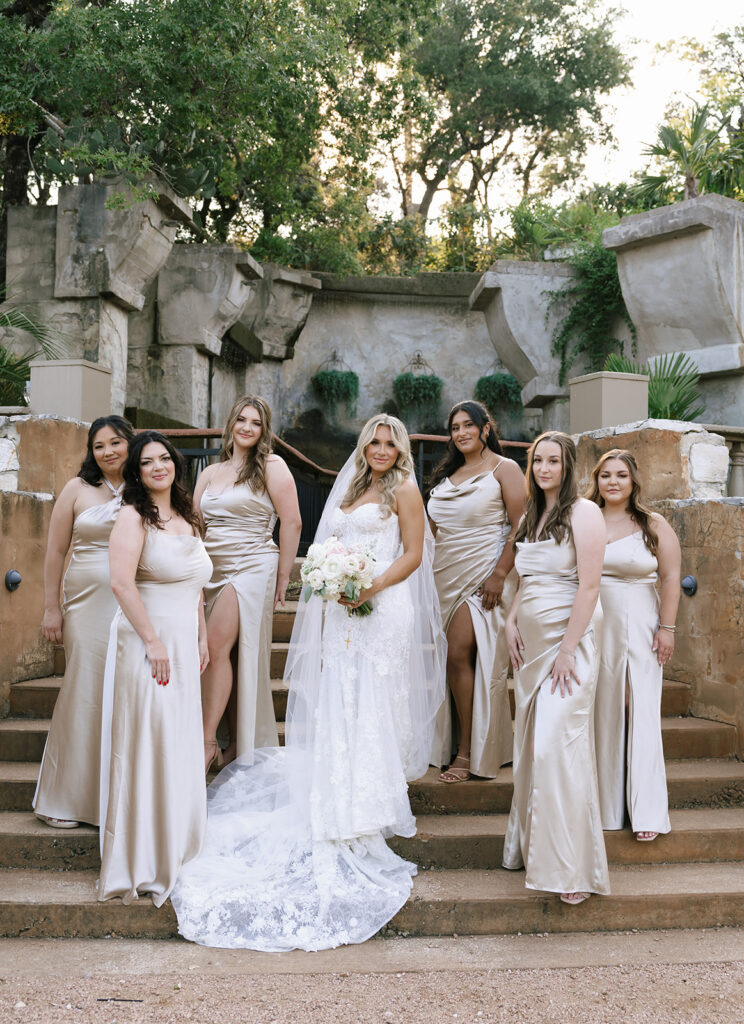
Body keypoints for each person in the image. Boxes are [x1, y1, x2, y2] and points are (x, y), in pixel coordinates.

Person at [170, 414, 446, 950]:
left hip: (383, 607)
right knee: (340, 700)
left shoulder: (405, 490)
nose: (381, 450)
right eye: (374, 442)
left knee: (371, 701)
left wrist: (369, 588)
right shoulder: (352, 486)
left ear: (401, 448)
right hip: (343, 608)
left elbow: (413, 555)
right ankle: (338, 788)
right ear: (363, 446)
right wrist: (330, 581)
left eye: (390, 442)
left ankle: (367, 803)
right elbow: (324, 546)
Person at [98, 432, 212, 907]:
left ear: (174, 464)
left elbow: (196, 586)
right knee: (149, 741)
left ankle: (178, 845)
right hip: (148, 642)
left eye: (165, 458)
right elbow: (122, 583)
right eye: (148, 462)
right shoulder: (131, 515)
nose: (158, 466)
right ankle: (143, 856)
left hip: (184, 642)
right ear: (137, 472)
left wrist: (201, 636)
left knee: (176, 741)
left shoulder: (187, 514)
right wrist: (153, 641)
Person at [502, 431, 609, 906]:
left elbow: (589, 587)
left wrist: (568, 649)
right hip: (530, 649)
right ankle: (535, 850)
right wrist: (508, 621)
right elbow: (524, 577)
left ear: (567, 466)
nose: (544, 469)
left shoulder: (584, 513)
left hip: (570, 645)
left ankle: (572, 868)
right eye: (537, 460)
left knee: (555, 750)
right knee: (530, 749)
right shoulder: (530, 514)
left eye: (553, 461)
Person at [34, 415, 135, 829]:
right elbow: (56, 551)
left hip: (134, 601)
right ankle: (68, 798)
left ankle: (119, 796)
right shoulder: (77, 489)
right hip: (84, 601)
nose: (108, 451)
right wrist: (51, 607)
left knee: (125, 688)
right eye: (99, 446)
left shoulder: (147, 484)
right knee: (85, 687)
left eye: (116, 443)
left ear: (131, 443)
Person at [196, 395, 301, 771]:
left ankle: (207, 742)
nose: (246, 427)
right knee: (230, 655)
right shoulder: (210, 472)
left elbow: (292, 522)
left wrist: (284, 577)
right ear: (231, 423)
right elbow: (197, 525)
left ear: (263, 430)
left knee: (213, 647)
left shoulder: (272, 465)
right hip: (211, 567)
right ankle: (237, 743)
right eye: (241, 419)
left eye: (255, 423)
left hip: (251, 563)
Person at [427, 401, 525, 782]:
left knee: (461, 654)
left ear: (486, 428)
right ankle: (455, 743)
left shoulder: (505, 469)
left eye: (469, 425)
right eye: (455, 427)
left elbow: (522, 524)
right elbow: (430, 533)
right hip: (444, 576)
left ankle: (468, 752)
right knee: (453, 662)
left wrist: (500, 573)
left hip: (485, 575)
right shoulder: (447, 474)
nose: (461, 432)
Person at [588, 449, 681, 841]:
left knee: (638, 704)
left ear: (633, 481)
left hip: (643, 619)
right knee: (602, 705)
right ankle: (607, 805)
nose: (612, 481)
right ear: (596, 480)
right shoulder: (585, 519)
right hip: (595, 621)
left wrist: (668, 628)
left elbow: (672, 575)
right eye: (605, 474)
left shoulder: (652, 523)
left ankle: (645, 809)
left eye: (621, 475)